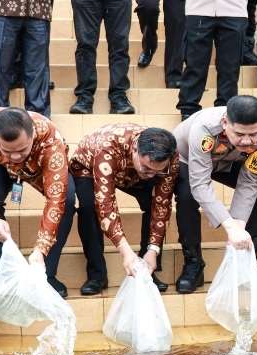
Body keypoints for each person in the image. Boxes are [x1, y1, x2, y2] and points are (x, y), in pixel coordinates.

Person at [0, 107, 75, 298]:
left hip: (39, 169)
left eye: (21, 150)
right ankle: (5, 276)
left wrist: (40, 249)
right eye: (8, 150)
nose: (15, 156)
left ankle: (48, 274)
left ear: (32, 136)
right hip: (1, 166)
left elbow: (56, 199)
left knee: (68, 199)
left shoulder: (50, 137)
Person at [172, 95, 257, 292]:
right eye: (239, 133)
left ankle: (248, 256)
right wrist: (229, 225)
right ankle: (193, 263)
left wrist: (239, 227)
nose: (247, 141)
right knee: (187, 195)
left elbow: (250, 180)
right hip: (188, 158)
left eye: (252, 134)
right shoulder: (204, 130)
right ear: (225, 123)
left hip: (229, 160)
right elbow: (200, 184)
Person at [71, 125, 179, 294]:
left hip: (130, 172)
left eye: (156, 171)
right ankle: (96, 275)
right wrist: (126, 252)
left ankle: (146, 269)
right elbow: (105, 204)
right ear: (135, 149)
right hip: (89, 165)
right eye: (147, 168)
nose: (151, 174)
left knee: (154, 203)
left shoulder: (169, 156)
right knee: (88, 207)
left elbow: (162, 204)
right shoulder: (108, 147)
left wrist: (154, 250)